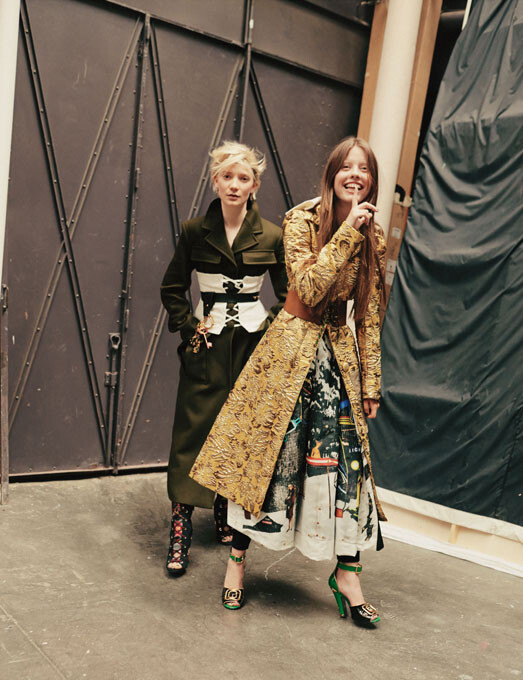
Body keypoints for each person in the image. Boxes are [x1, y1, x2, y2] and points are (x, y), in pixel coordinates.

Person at [190, 137, 387, 626]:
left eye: (364, 169)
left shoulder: (376, 234)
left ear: (371, 180)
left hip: (338, 359)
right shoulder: (302, 220)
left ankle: (348, 575)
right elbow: (310, 288)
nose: (355, 175)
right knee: (266, 458)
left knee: (346, 467)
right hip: (289, 352)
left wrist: (371, 382)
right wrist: (347, 231)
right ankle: (236, 564)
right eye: (347, 167)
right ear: (332, 174)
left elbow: (369, 312)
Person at [160, 141, 287, 576]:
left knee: (238, 434)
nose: (234, 184)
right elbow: (172, 287)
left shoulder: (271, 235)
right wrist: (189, 328)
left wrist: (268, 333)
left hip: (250, 346)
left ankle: (225, 513)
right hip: (207, 345)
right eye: (227, 176)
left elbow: (288, 296)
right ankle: (180, 527)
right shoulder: (194, 231)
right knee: (191, 434)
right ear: (215, 181)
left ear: (254, 185)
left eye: (243, 177)